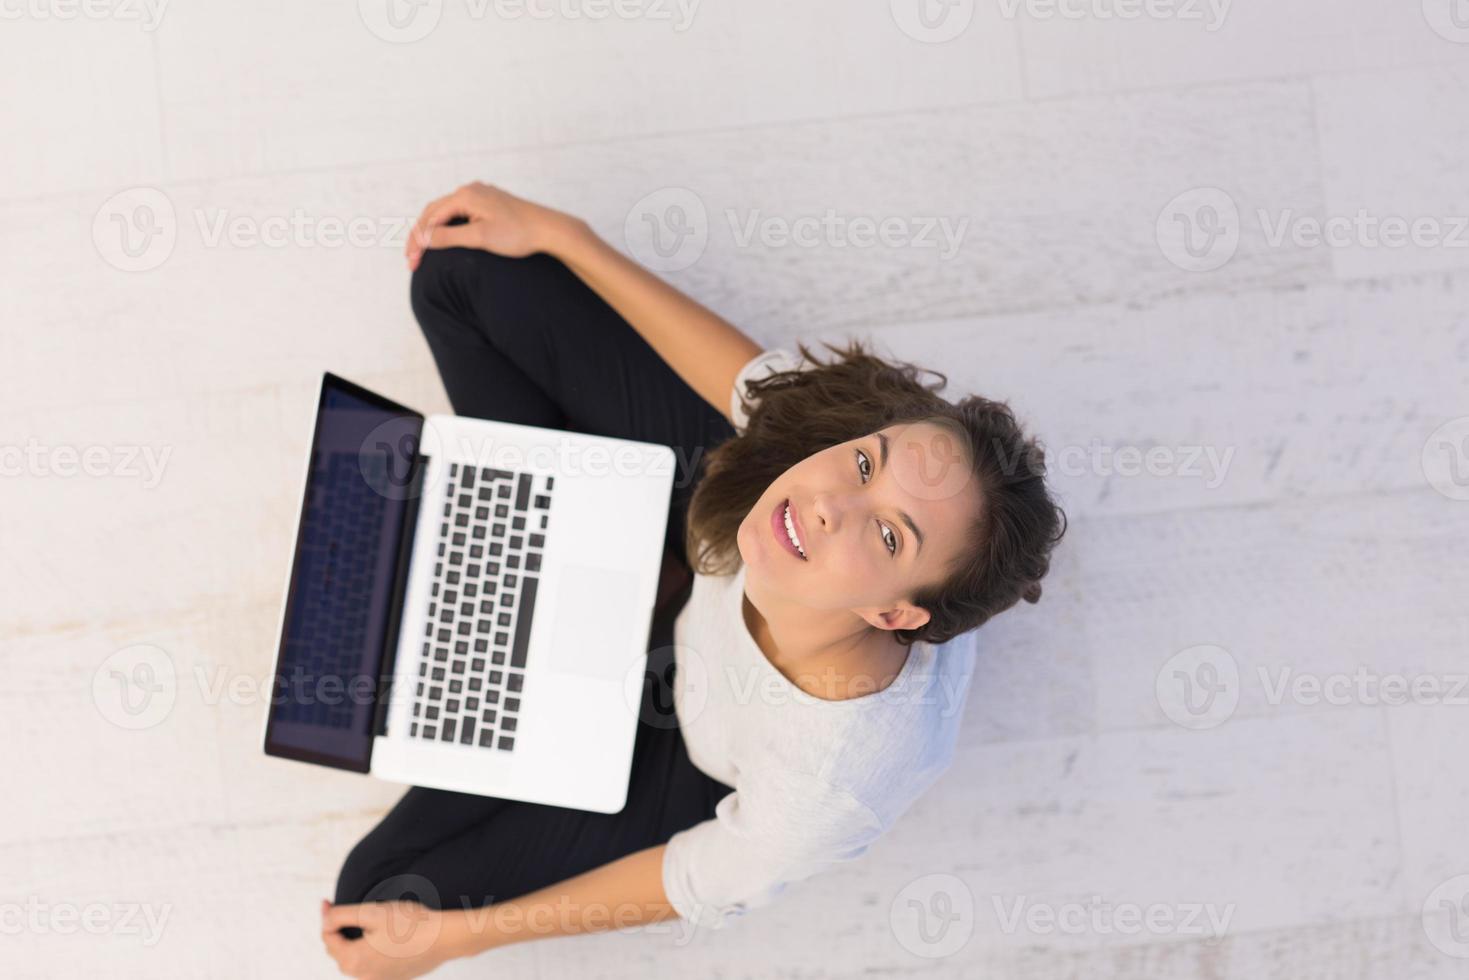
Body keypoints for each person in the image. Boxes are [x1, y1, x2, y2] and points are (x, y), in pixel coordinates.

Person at [320, 183, 1067, 978]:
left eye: (887, 534)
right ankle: (588, 538)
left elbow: (687, 877)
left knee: (381, 899)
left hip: (680, 735)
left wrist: (453, 940)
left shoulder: (833, 781)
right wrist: (568, 236)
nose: (827, 504)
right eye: (862, 460)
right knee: (460, 269)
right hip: (700, 528)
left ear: (893, 613)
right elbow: (751, 387)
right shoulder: (830, 472)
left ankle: (584, 572)